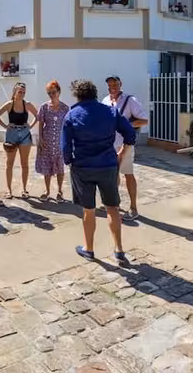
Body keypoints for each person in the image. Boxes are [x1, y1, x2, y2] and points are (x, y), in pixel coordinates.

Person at [62, 79, 136, 264]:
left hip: (83, 167)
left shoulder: (72, 115)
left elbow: (65, 147)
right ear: (95, 93)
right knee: (113, 208)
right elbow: (130, 134)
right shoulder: (110, 111)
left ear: (77, 95)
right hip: (108, 165)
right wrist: (122, 152)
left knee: (89, 210)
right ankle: (119, 249)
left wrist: (70, 162)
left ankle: (89, 248)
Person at [102, 75, 149, 221]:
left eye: (114, 84)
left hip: (125, 144)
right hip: (109, 144)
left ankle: (133, 208)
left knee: (128, 174)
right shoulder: (105, 100)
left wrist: (125, 123)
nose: (112, 87)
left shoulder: (130, 100)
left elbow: (144, 120)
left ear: (120, 84)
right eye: (109, 85)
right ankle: (114, 203)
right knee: (112, 174)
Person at [0, 83, 38, 199]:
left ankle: (24, 189)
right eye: (20, 92)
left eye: (24, 92)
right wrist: (5, 126)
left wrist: (30, 125)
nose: (22, 94)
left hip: (25, 134)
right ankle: (9, 190)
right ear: (14, 92)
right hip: (12, 134)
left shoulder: (27, 104)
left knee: (24, 164)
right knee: (9, 163)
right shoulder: (10, 104)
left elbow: (38, 115)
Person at [35, 80, 70, 201]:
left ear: (59, 92)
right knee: (47, 166)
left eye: (53, 92)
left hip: (60, 142)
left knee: (60, 167)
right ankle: (47, 190)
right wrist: (40, 139)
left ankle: (60, 191)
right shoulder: (44, 107)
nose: (51, 95)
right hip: (47, 141)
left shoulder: (65, 108)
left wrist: (68, 142)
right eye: (49, 93)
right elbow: (40, 123)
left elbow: (68, 126)